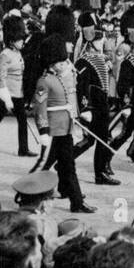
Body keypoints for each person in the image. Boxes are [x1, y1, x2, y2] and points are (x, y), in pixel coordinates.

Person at [34, 34, 94, 213]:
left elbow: (70, 97)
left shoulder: (60, 78)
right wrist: (43, 130)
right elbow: (40, 108)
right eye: (60, 63)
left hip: (65, 129)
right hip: (53, 131)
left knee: (68, 167)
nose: (64, 65)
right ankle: (28, 195)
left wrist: (80, 114)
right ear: (51, 63)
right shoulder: (44, 81)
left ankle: (76, 202)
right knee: (43, 165)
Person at [74, 12, 120, 186]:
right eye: (99, 38)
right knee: (90, 140)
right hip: (92, 107)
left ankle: (100, 173)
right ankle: (64, 161)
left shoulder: (99, 58)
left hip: (102, 104)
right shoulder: (84, 61)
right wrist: (85, 109)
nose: (102, 41)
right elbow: (81, 87)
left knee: (101, 139)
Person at [0, 13, 31, 157]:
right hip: (5, 94)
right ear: (13, 40)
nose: (23, 42)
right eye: (20, 39)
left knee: (23, 121)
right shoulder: (5, 55)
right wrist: (6, 98)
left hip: (18, 93)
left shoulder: (18, 53)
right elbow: (0, 78)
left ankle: (23, 148)